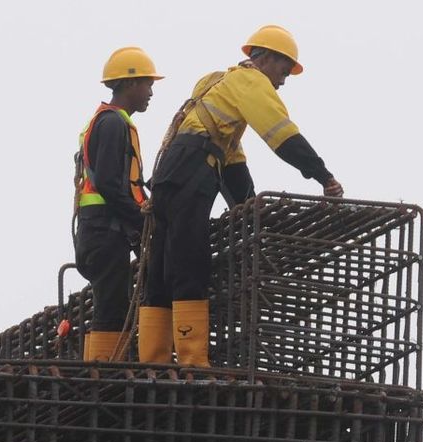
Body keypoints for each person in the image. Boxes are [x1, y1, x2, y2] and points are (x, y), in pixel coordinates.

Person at [142, 25, 343, 367]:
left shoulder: (216, 81)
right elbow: (282, 134)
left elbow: (231, 158)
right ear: (266, 58)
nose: (283, 80)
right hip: (194, 169)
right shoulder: (252, 82)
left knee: (162, 266)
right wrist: (322, 174)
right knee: (190, 261)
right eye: (283, 69)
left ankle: (152, 361)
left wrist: (246, 207)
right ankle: (191, 362)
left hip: (169, 173)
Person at [74, 46, 164, 362]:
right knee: (111, 308)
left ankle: (103, 373)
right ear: (128, 84)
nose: (151, 92)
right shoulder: (112, 123)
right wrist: (142, 222)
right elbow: (111, 186)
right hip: (104, 232)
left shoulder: (107, 121)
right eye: (147, 84)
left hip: (98, 232)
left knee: (113, 304)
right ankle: (102, 377)